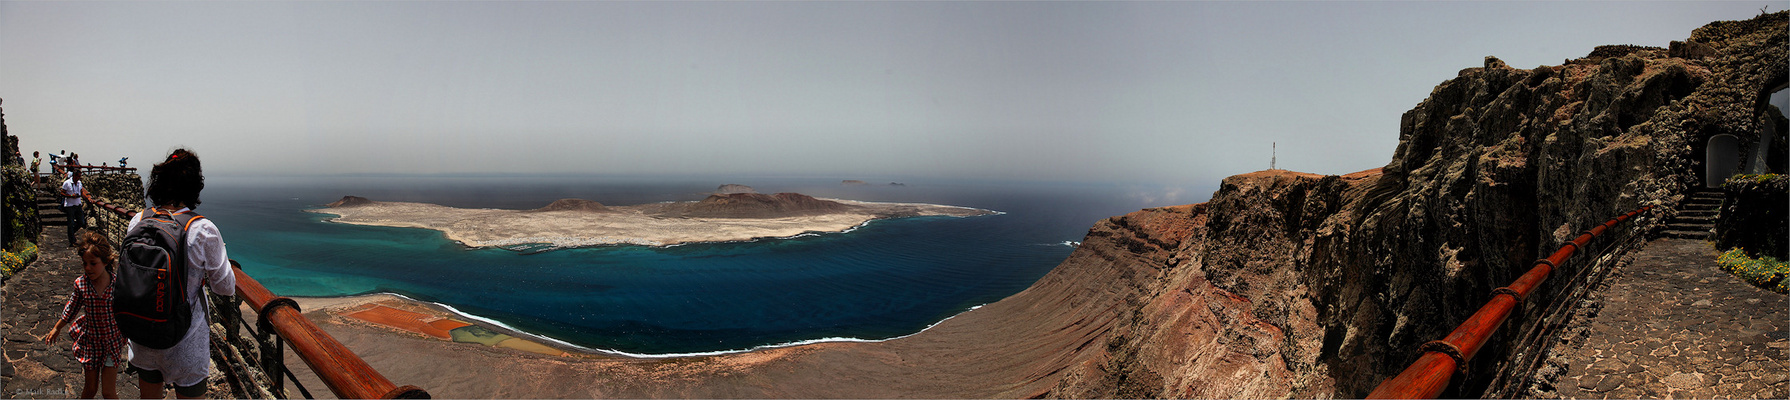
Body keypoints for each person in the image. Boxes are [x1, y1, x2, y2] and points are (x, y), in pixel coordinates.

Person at [124, 148, 235, 399]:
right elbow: (225, 287)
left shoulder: (138, 221)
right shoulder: (203, 229)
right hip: (185, 342)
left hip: (142, 334)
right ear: (195, 186)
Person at [42, 230, 127, 399]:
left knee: (108, 392)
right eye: (85, 263)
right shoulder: (81, 284)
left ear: (106, 261)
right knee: (90, 389)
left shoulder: (117, 284)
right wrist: (57, 328)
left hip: (112, 343)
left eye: (93, 263)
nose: (88, 268)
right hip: (91, 343)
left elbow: (127, 310)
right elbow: (71, 308)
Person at [59, 168, 86, 246]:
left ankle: (71, 233)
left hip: (78, 204)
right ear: (74, 176)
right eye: (78, 176)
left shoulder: (79, 183)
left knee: (81, 222)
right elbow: (62, 193)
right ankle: (72, 241)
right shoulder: (67, 183)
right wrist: (71, 196)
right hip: (69, 205)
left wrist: (88, 198)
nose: (79, 178)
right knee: (70, 223)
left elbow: (81, 192)